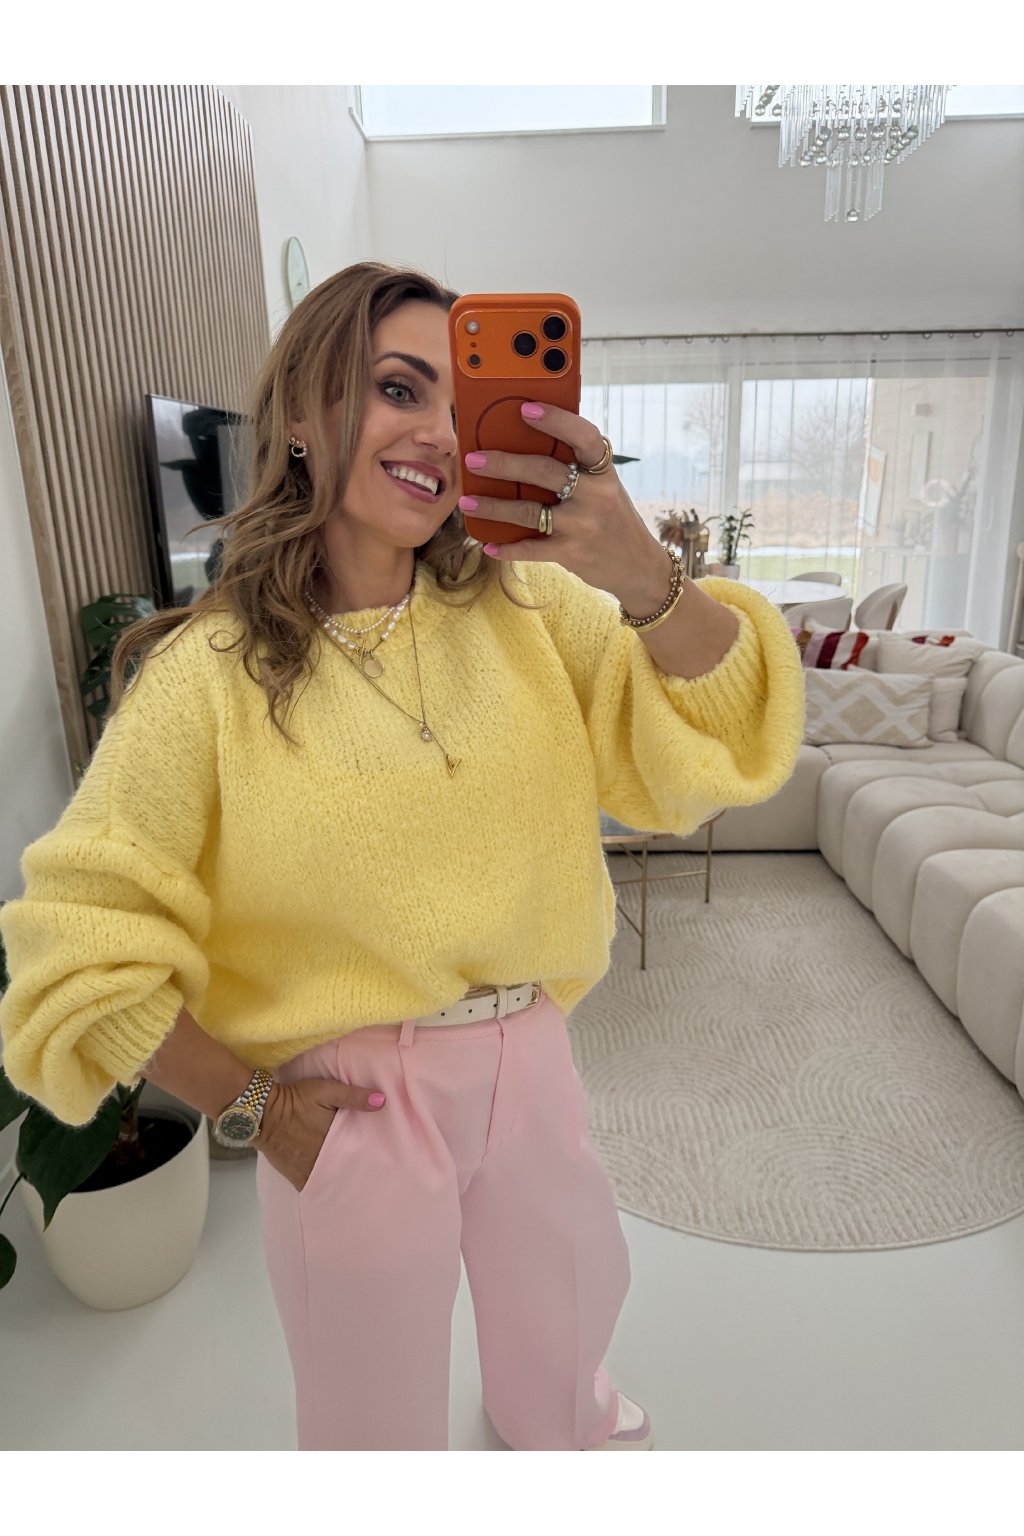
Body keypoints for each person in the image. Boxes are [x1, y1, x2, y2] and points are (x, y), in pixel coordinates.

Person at [0, 261, 805, 1451]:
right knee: (369, 1411)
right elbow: (81, 943)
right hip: (353, 1098)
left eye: (456, 396)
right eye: (395, 388)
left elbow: (717, 736)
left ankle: (559, 1420)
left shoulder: (533, 609)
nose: (435, 430)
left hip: (532, 1055)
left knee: (568, 1308)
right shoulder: (204, 680)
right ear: (302, 414)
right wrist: (255, 1109)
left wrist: (640, 571)